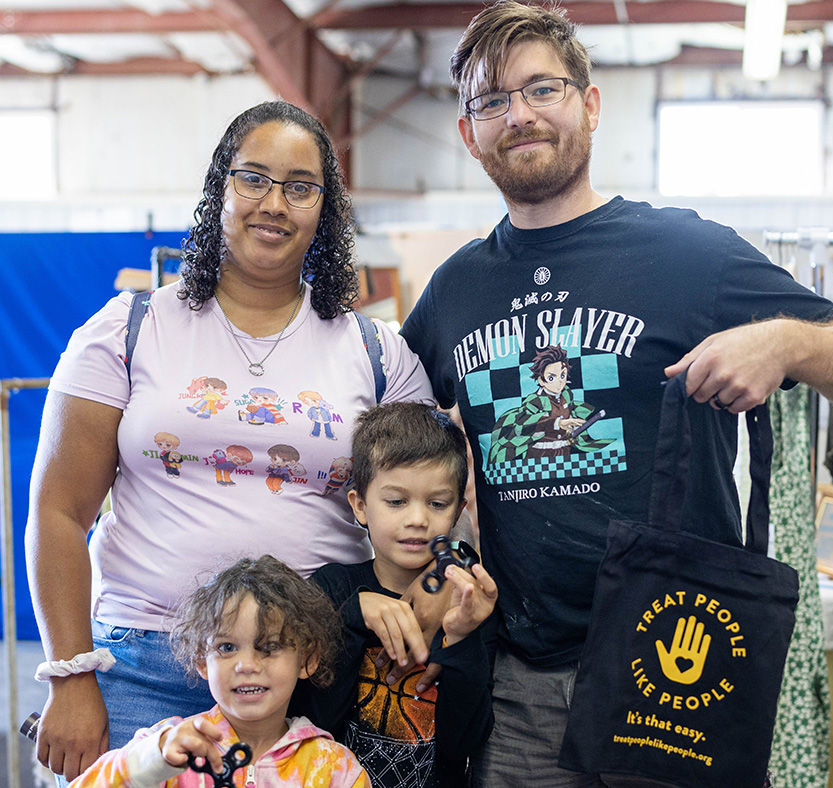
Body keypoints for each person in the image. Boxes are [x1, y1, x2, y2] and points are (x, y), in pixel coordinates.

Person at [397, 3, 833, 786]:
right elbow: (393, 443)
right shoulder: (455, 290)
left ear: (590, 105)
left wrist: (785, 339)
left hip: (675, 670)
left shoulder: (687, 254)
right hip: (521, 685)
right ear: (469, 133)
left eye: (541, 89)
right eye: (490, 100)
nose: (518, 115)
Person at [25, 100, 432, 783]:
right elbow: (58, 511)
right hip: (139, 670)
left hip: (310, 672)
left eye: (300, 187)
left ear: (324, 209)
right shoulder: (128, 329)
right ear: (220, 189)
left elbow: (423, 503)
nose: (274, 203)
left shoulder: (376, 353)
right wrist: (70, 675)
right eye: (253, 179)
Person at [289, 402, 497, 788]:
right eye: (397, 501)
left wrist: (462, 641)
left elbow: (463, 744)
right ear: (360, 506)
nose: (417, 518)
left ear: (457, 513)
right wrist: (351, 616)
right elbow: (312, 722)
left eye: (436, 503)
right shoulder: (331, 590)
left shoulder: (468, 604)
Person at [70, 555, 371, 788]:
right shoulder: (169, 747)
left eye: (269, 646)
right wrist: (151, 760)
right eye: (227, 648)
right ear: (202, 661)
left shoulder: (335, 768)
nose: (247, 665)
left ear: (307, 660)